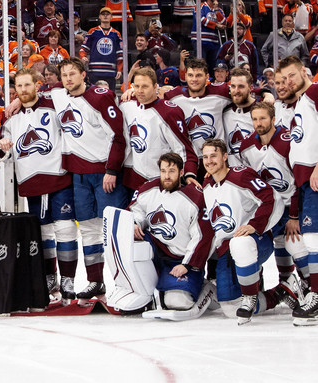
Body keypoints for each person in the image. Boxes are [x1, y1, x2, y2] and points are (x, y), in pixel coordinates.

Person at [49, 57, 127, 303]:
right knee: (90, 230)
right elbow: (36, 96)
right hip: (79, 176)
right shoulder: (59, 96)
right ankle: (96, 282)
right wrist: (18, 99)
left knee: (113, 231)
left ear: (84, 74)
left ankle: (126, 283)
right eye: (64, 75)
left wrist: (112, 169)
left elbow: (118, 135)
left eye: (73, 73)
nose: (68, 79)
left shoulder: (100, 97)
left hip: (105, 174)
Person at [0, 68, 78, 305]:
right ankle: (49, 278)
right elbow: (8, 153)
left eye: (27, 85)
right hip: (31, 181)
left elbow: (71, 91)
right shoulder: (11, 117)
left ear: (37, 85)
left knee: (65, 229)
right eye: (18, 87)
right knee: (42, 234)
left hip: (58, 177)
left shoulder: (54, 103)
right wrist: (3, 146)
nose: (23, 90)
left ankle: (69, 280)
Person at [201, 138, 283, 324]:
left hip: (255, 240)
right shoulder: (207, 184)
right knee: (230, 309)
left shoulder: (241, 175)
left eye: (214, 155)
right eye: (205, 157)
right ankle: (279, 292)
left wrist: (255, 224)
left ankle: (255, 295)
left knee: (240, 242)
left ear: (225, 156)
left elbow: (270, 198)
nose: (209, 160)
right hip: (227, 250)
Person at [239, 102, 305, 312]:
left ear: (274, 119)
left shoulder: (287, 142)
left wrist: (294, 215)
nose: (259, 123)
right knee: (254, 247)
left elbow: (297, 181)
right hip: (268, 208)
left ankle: (305, 286)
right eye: (255, 119)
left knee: (295, 244)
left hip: (291, 205)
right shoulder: (246, 146)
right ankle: (276, 288)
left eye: (263, 118)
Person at [130, 152, 213, 314]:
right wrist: (134, 222)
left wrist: (186, 264)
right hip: (155, 255)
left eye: (172, 171)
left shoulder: (195, 198)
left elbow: (203, 237)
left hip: (180, 261)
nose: (166, 176)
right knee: (131, 238)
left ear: (181, 172)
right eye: (163, 171)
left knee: (177, 301)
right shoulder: (148, 189)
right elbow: (135, 209)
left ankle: (207, 287)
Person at [120, 67, 198, 192]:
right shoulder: (126, 104)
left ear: (155, 86)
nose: (140, 90)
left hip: (159, 181)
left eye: (145, 86)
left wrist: (189, 173)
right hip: (131, 180)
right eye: (137, 86)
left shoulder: (169, 112)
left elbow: (183, 147)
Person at [283, 54, 318, 324]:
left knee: (314, 239)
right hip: (305, 182)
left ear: (304, 72)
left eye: (292, 75)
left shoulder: (315, 92)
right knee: (310, 239)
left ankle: (316, 295)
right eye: (283, 79)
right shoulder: (301, 103)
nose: (288, 81)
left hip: (314, 178)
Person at [79, 7, 123, 89]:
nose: (105, 16)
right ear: (99, 16)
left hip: (110, 71)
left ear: (111, 17)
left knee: (110, 97)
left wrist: (119, 69)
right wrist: (83, 56)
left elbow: (120, 53)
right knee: (94, 96)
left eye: (107, 14)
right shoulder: (93, 31)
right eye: (103, 14)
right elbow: (84, 48)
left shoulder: (116, 34)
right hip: (94, 71)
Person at [222, 68, 257, 167]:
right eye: (233, 86)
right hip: (233, 175)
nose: (236, 91)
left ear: (250, 88)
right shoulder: (224, 111)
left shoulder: (261, 111)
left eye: (241, 86)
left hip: (257, 173)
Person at [191, 0, 226, 75]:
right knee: (201, 66)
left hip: (214, 42)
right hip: (201, 40)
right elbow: (200, 19)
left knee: (213, 66)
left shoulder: (219, 10)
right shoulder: (200, 6)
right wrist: (216, 25)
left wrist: (216, 11)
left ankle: (212, 83)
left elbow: (224, 23)